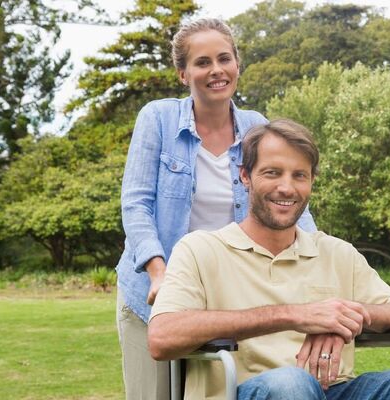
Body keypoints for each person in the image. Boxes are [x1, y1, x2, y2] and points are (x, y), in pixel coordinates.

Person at [148, 119, 390, 400]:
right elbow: (162, 338)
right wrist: (294, 316)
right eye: (272, 173)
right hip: (249, 390)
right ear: (245, 177)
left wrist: (346, 317)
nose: (286, 188)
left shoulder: (337, 253)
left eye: (299, 175)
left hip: (336, 390)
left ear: (312, 182)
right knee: (291, 383)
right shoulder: (200, 249)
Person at [115, 19, 316, 400]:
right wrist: (160, 273)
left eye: (224, 59)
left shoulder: (257, 126)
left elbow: (288, 205)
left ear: (238, 64)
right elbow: (136, 204)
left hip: (226, 298)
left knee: (225, 392)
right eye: (202, 62)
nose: (216, 70)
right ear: (183, 73)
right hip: (153, 294)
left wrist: (320, 262)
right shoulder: (157, 118)